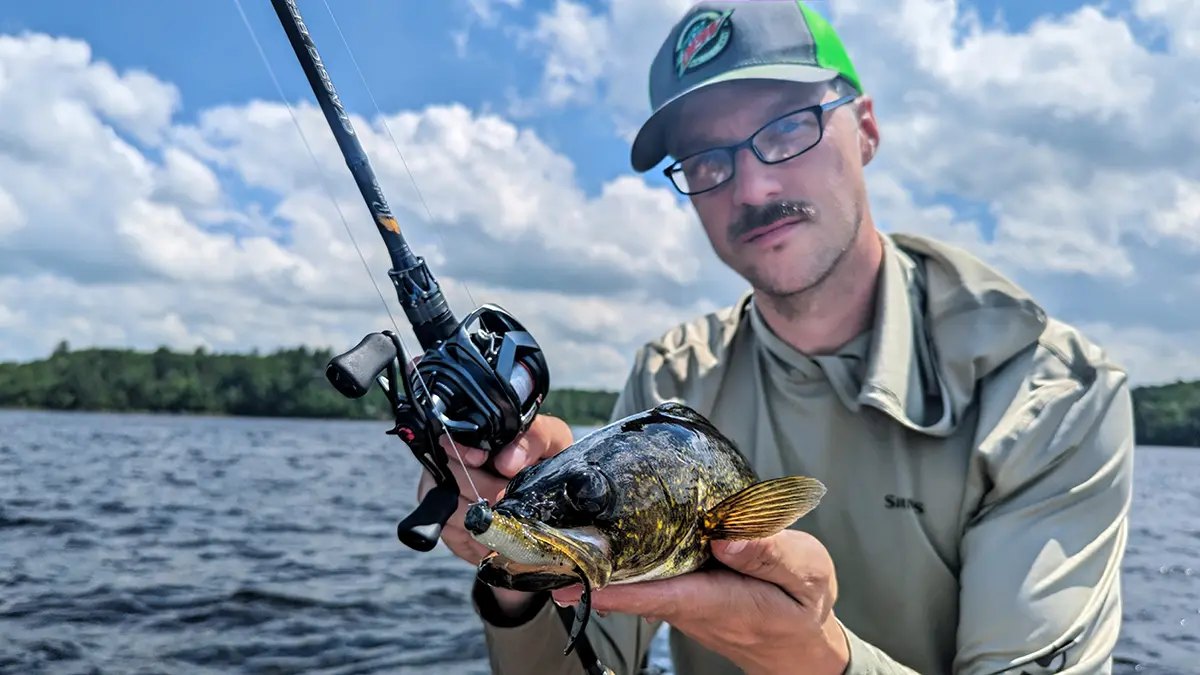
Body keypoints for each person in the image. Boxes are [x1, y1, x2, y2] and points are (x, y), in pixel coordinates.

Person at [417, 1, 1136, 673]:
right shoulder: (668, 379)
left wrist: (818, 659)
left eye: (790, 126)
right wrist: (516, 569)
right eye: (705, 161)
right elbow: (590, 656)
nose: (752, 187)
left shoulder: (1050, 392)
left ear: (868, 127)